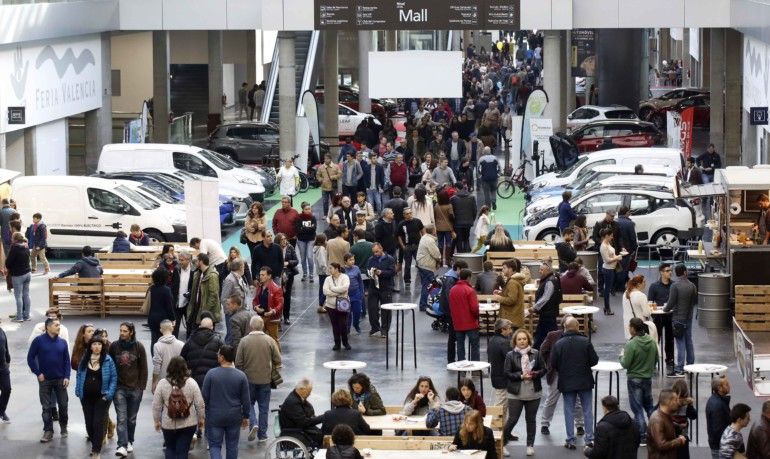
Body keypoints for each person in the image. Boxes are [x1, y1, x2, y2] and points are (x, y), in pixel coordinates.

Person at [551, 317, 598, 450]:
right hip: (584, 381)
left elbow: (553, 363)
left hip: (566, 381)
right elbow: (594, 361)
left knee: (568, 411)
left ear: (565, 327)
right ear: (578, 327)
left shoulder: (559, 344)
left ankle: (570, 440)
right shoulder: (585, 342)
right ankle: (589, 439)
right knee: (587, 410)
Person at [235, 315, 281, 443]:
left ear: (250, 326)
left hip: (248, 380)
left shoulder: (244, 341)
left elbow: (238, 362)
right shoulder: (270, 340)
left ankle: (253, 423)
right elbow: (278, 360)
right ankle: (262, 435)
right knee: (264, 407)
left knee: (248, 404)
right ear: (263, 326)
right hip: (265, 380)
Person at [202, 345, 251, 459]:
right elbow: (246, 399)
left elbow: (204, 397)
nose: (217, 356)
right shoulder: (241, 376)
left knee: (214, 445)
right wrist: (246, 416)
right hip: (234, 416)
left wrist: (202, 415)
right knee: (232, 446)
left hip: (214, 416)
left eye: (218, 354)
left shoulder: (211, 374)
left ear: (222, 357)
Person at [27, 317, 71, 443]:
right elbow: (30, 357)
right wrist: (38, 373)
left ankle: (63, 426)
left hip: (60, 379)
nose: (59, 327)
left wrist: (67, 376)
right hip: (44, 380)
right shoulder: (38, 341)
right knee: (46, 407)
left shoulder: (62, 342)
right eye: (56, 325)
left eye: (59, 325)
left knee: (63, 405)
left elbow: (67, 361)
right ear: (48, 327)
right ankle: (48, 431)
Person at [107, 322, 148, 456]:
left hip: (135, 387)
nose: (122, 333)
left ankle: (130, 440)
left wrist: (141, 386)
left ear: (131, 332)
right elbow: (109, 365)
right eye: (121, 330)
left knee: (131, 418)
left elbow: (144, 368)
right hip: (119, 387)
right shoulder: (114, 346)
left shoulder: (139, 347)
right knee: (122, 417)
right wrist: (111, 384)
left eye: (125, 331)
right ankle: (122, 445)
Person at [151, 356, 205, 459]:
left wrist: (157, 420)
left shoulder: (162, 383)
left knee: (170, 448)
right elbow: (200, 403)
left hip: (168, 424)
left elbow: (156, 405)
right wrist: (201, 418)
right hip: (188, 423)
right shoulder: (191, 382)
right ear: (185, 367)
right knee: (183, 450)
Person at [539, 315, 584, 437]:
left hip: (572, 373)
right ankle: (544, 424)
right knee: (551, 399)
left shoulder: (579, 337)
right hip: (557, 373)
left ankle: (580, 425)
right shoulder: (552, 335)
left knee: (576, 401)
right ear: (564, 326)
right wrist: (549, 364)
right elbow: (543, 350)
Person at [503, 328, 545, 457]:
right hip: (516, 392)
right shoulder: (510, 355)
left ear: (529, 340)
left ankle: (530, 446)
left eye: (524, 339)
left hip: (533, 392)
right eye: (519, 339)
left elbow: (544, 369)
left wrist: (534, 374)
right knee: (512, 419)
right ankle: (502, 443)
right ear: (515, 341)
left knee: (531, 420)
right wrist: (521, 376)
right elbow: (507, 373)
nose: (522, 341)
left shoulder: (536, 353)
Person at [75, 336, 117, 458]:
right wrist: (78, 392)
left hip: (101, 398)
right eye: (94, 344)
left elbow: (114, 378)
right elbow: (79, 375)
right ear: (90, 347)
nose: (97, 346)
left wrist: (109, 394)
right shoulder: (84, 359)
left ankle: (96, 451)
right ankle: (95, 445)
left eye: (99, 344)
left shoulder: (108, 360)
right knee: (89, 424)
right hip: (86, 398)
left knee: (97, 423)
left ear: (102, 346)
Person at [620, 318, 658, 446]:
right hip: (647, 378)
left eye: (629, 327)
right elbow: (656, 360)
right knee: (649, 407)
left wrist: (621, 356)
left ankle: (642, 436)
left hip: (634, 379)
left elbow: (625, 363)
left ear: (633, 329)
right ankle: (656, 432)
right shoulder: (652, 342)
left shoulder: (631, 344)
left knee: (637, 409)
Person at [663, 264, 698, 377]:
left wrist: (665, 309)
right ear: (685, 272)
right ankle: (690, 365)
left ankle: (679, 369)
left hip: (678, 318)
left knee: (680, 343)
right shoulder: (692, 286)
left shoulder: (675, 286)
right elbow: (694, 301)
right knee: (689, 341)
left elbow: (671, 302)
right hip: (689, 318)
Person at [278, 379, 324, 447]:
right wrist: (322, 417)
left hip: (298, 428)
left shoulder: (296, 397)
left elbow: (308, 414)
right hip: (295, 432)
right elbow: (304, 422)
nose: (310, 394)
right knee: (323, 437)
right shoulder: (293, 402)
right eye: (309, 391)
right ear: (302, 389)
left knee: (323, 433)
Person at [187, 253, 223, 336]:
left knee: (206, 336)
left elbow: (213, 296)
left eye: (197, 261)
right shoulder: (197, 274)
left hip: (206, 313)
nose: (195, 263)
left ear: (201, 261)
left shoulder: (212, 275)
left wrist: (205, 311)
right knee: (194, 335)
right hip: (196, 309)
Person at [449, 269, 481, 361]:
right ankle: (475, 368)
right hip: (470, 323)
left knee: (460, 345)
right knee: (474, 346)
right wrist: (476, 318)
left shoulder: (453, 289)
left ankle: (461, 366)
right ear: (468, 278)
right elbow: (474, 308)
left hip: (457, 323)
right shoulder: (470, 291)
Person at [529, 262, 562, 350]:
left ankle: (537, 350)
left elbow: (546, 297)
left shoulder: (550, 281)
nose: (539, 271)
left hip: (548, 313)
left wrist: (535, 307)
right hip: (548, 312)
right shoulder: (549, 279)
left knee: (544, 334)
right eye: (539, 269)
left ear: (547, 271)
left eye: (541, 270)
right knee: (544, 333)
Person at [649, 262, 675, 372]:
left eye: (670, 270)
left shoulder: (674, 285)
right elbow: (650, 302)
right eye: (667, 271)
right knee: (656, 339)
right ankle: (654, 359)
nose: (670, 272)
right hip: (658, 317)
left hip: (670, 316)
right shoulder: (654, 286)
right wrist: (654, 311)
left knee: (670, 339)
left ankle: (670, 359)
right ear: (661, 272)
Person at [366, 243, 395, 338]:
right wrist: (371, 273)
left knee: (386, 309)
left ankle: (385, 330)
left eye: (377, 251)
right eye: (374, 252)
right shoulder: (371, 259)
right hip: (373, 287)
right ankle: (375, 328)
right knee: (372, 308)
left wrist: (381, 272)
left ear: (381, 248)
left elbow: (392, 272)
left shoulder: (390, 259)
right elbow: (368, 270)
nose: (375, 254)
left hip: (386, 287)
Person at [648, 389, 688, 458]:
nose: (677, 403)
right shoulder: (657, 420)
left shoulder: (666, 415)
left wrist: (679, 426)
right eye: (675, 400)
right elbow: (661, 445)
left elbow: (668, 424)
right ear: (669, 402)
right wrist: (679, 441)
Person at [323, 262, 351, 350]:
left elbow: (345, 288)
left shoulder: (344, 277)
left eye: (331, 268)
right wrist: (338, 293)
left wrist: (333, 289)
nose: (329, 270)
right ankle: (337, 343)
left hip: (343, 304)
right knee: (334, 325)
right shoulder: (327, 279)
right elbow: (325, 291)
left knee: (343, 324)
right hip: (330, 306)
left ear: (337, 269)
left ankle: (345, 342)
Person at [152, 320, 185, 393]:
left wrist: (154, 382)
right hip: (178, 381)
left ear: (161, 330)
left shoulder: (157, 346)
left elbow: (157, 366)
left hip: (163, 382)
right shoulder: (181, 344)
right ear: (172, 328)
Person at [148, 268, 176, 355]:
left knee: (154, 340)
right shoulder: (166, 290)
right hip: (163, 319)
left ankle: (154, 357)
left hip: (152, 317)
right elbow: (169, 306)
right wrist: (173, 319)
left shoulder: (152, 288)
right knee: (163, 340)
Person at [253, 267, 284, 343]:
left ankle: (276, 355)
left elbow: (280, 304)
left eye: (263, 275)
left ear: (269, 276)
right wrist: (255, 307)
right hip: (261, 317)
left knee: (273, 341)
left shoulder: (276, 288)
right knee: (259, 341)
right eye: (260, 275)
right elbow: (255, 300)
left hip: (271, 319)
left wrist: (273, 311)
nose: (260, 277)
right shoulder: (259, 287)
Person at [221, 258, 249, 341]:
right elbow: (224, 298)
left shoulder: (240, 278)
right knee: (231, 336)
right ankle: (226, 353)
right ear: (240, 267)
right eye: (243, 267)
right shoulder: (229, 280)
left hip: (240, 313)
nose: (244, 269)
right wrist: (231, 313)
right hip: (232, 315)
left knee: (237, 336)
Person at [494, 260, 526, 330]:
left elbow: (512, 300)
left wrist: (499, 298)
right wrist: (501, 292)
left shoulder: (512, 282)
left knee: (511, 340)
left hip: (512, 319)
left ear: (510, 269)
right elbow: (512, 295)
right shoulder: (513, 280)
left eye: (504, 268)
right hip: (513, 317)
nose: (502, 270)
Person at [5, 232, 30, 322]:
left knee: (18, 296)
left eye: (12, 237)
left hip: (18, 275)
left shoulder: (14, 248)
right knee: (26, 295)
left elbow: (8, 263)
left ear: (15, 239)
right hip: (27, 273)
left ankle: (19, 317)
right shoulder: (26, 246)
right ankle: (27, 315)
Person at [415, 225, 441, 311]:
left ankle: (430, 303)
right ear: (433, 231)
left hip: (422, 264)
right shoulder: (430, 240)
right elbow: (436, 254)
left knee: (428, 285)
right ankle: (425, 305)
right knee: (429, 286)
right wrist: (439, 260)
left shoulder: (424, 237)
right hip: (427, 266)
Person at [707, 376, 732, 459]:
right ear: (719, 388)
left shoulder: (717, 400)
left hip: (719, 445)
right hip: (720, 447)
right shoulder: (718, 405)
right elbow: (718, 430)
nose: (729, 386)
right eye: (726, 384)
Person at [397, 207, 424, 286]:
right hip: (407, 246)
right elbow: (399, 236)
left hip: (417, 245)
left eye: (410, 213)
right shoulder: (401, 224)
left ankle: (423, 277)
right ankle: (407, 279)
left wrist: (423, 243)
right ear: (404, 215)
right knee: (407, 264)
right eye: (407, 214)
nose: (409, 215)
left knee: (420, 263)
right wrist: (403, 246)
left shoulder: (417, 221)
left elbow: (423, 231)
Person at [276, 233, 299, 325]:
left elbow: (296, 261)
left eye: (285, 239)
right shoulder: (275, 248)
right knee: (278, 296)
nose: (284, 241)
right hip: (278, 274)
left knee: (287, 296)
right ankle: (278, 315)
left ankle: (286, 317)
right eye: (282, 239)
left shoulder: (290, 247)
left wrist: (288, 263)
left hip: (288, 274)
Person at [622, 275, 653, 340]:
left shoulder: (625, 293)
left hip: (628, 323)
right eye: (644, 282)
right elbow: (647, 313)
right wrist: (650, 308)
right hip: (639, 325)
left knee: (631, 343)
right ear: (639, 284)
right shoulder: (641, 295)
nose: (645, 284)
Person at [599, 228, 622, 315]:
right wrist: (617, 257)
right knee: (607, 289)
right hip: (608, 269)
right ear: (606, 236)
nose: (612, 237)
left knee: (607, 288)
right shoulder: (603, 246)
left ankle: (607, 307)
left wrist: (618, 255)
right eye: (611, 236)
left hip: (611, 268)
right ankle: (607, 308)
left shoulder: (607, 243)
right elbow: (607, 260)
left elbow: (612, 254)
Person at [450, 183, 477, 253]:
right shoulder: (472, 197)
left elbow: (451, 212)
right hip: (468, 222)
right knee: (466, 238)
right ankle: (467, 254)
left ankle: (459, 255)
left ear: (456, 188)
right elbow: (475, 211)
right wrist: (472, 219)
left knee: (459, 239)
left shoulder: (453, 199)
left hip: (457, 222)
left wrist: (453, 221)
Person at [343, 253, 365, 335]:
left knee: (357, 312)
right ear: (345, 261)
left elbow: (360, 281)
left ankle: (356, 324)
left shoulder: (356, 268)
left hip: (356, 294)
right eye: (350, 260)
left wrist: (361, 292)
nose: (353, 261)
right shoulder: (342, 270)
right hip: (346, 295)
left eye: (353, 259)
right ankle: (347, 329)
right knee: (347, 314)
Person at [296, 203, 317, 282]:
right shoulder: (299, 218)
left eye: (309, 209)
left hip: (311, 239)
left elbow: (314, 229)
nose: (308, 210)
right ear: (303, 210)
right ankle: (305, 273)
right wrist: (309, 228)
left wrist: (304, 228)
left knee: (309, 256)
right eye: (306, 209)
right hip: (301, 240)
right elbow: (298, 230)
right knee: (303, 258)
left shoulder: (313, 217)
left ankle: (311, 274)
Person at [176, 252, 193, 338]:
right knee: (175, 327)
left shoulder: (194, 270)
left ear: (188, 260)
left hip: (188, 303)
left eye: (182, 260)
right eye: (179, 260)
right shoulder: (177, 269)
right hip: (177, 303)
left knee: (189, 326)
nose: (180, 262)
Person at [314, 234, 329, 311]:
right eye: (326, 240)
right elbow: (322, 262)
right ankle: (321, 305)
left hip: (320, 272)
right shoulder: (321, 249)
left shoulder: (316, 248)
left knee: (322, 288)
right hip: (324, 272)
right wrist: (326, 270)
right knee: (324, 289)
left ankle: (322, 304)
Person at [0, 317, 11, 423]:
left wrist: (8, 360)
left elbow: (5, 347)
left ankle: (1, 411)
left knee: (7, 389)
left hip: (3, 366)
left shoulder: (2, 331)